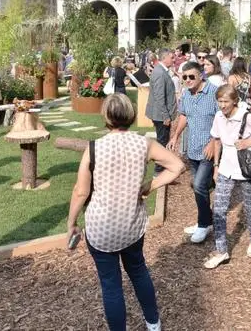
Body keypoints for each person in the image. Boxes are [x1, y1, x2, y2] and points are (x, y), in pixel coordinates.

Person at [68, 94, 184, 331]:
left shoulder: (94, 148)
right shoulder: (145, 143)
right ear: (129, 115)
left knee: (111, 285)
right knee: (139, 272)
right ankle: (153, 324)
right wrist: (150, 185)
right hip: (132, 226)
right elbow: (178, 166)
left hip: (101, 230)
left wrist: (71, 222)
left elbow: (81, 192)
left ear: (107, 116)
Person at [204, 85, 251, 269]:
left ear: (234, 101)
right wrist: (216, 167)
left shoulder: (247, 117)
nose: (222, 105)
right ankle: (221, 250)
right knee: (218, 209)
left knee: (250, 206)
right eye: (219, 101)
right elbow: (216, 141)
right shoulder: (218, 117)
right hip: (225, 169)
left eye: (225, 101)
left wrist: (249, 141)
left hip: (246, 169)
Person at [168, 61, 219, 244]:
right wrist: (175, 136)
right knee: (201, 188)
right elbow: (184, 115)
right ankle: (207, 221)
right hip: (193, 148)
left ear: (201, 75)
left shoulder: (213, 92)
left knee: (198, 186)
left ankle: (203, 225)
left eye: (191, 76)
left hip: (208, 149)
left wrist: (214, 143)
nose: (187, 80)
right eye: (184, 77)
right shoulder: (186, 95)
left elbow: (221, 119)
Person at [145, 49, 177, 174]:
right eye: (172, 57)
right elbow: (159, 96)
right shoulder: (159, 72)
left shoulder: (162, 70)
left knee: (162, 141)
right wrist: (166, 116)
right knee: (162, 143)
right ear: (164, 58)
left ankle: (160, 170)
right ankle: (158, 172)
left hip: (161, 114)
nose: (174, 60)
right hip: (160, 115)